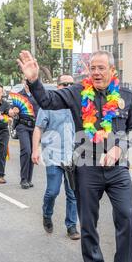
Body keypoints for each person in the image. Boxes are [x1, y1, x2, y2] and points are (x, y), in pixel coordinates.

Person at [18, 50, 132, 262]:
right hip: (87, 166)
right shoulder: (77, 92)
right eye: (92, 68)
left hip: (117, 169)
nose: (96, 72)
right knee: (88, 222)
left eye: (101, 68)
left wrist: (119, 148)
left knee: (126, 218)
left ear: (111, 70)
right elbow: (46, 101)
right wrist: (34, 80)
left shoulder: (126, 96)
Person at [32, 75, 80, 240]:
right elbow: (38, 128)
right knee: (53, 191)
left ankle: (71, 226)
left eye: (71, 84)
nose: (68, 86)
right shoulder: (48, 106)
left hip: (74, 156)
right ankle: (47, 214)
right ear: (57, 86)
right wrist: (35, 150)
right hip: (53, 155)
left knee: (73, 193)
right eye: (64, 84)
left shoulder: (78, 104)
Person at [12, 81, 40, 189]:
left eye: (30, 82)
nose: (28, 84)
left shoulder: (38, 95)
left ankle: (29, 179)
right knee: (26, 151)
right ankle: (23, 179)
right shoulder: (18, 95)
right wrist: (14, 111)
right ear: (24, 83)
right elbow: (12, 110)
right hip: (22, 126)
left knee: (33, 152)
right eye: (26, 82)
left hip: (35, 127)